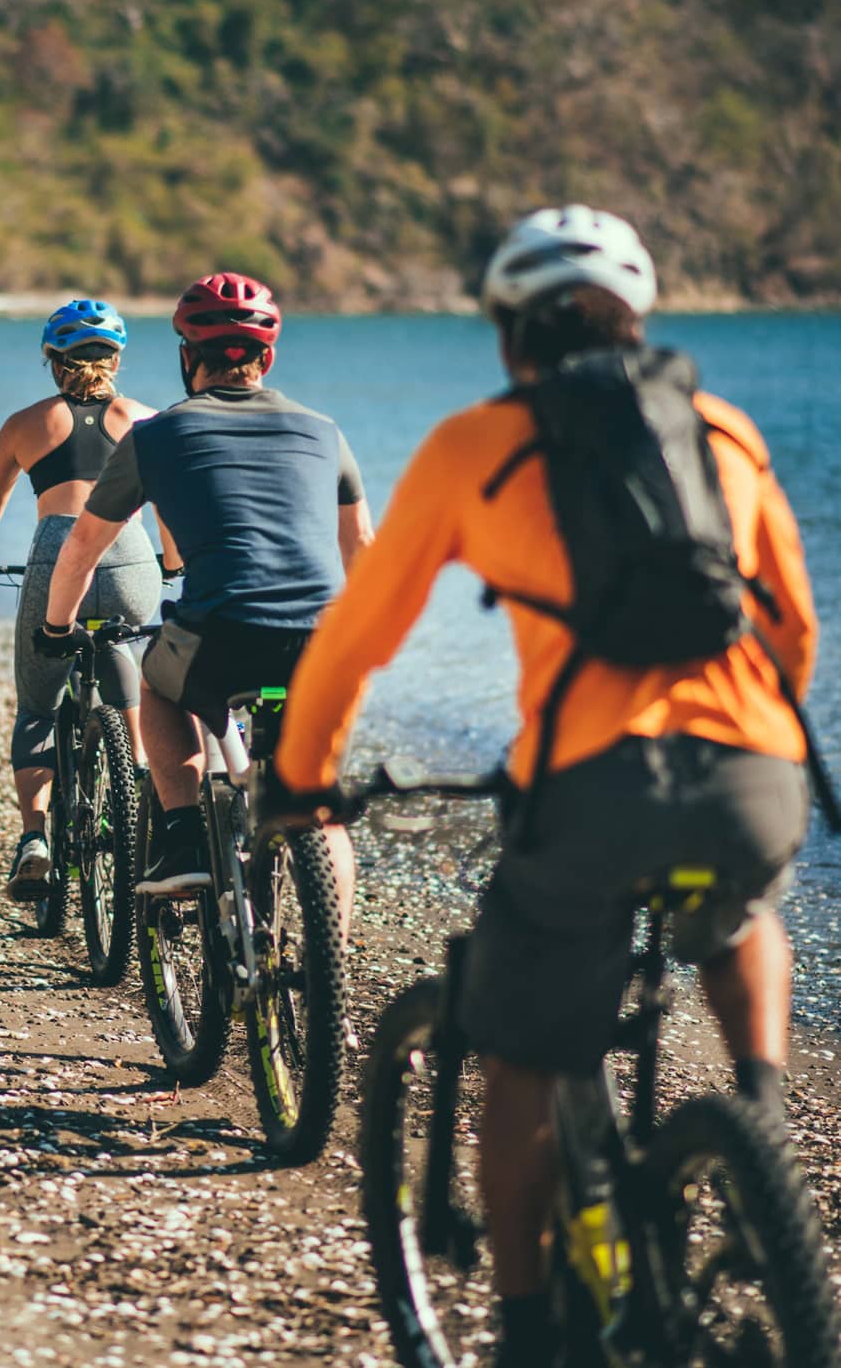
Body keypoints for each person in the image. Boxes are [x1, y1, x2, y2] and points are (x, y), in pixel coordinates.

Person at [272, 206, 819, 1368]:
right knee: (739, 904)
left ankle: (523, 1338)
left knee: (524, 1055)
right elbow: (792, 629)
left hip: (594, 790)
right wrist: (752, 736)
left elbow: (356, 638)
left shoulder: (480, 443)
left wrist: (302, 781)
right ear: (639, 316)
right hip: (757, 772)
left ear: (510, 333)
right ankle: (758, 1119)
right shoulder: (722, 429)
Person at [36, 271, 375, 918]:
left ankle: (185, 835)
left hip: (222, 634)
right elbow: (364, 553)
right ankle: (329, 996)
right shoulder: (324, 432)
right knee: (318, 805)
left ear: (186, 358)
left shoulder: (157, 436)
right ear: (267, 358)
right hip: (326, 644)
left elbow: (82, 549)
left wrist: (55, 630)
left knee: (158, 682)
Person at [0, 300, 177, 902]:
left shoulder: (24, 424)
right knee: (130, 692)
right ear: (116, 358)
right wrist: (172, 563)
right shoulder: (150, 421)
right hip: (127, 557)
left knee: (39, 705)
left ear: (52, 360)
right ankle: (143, 822)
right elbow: (166, 509)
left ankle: (35, 838)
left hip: (54, 555)